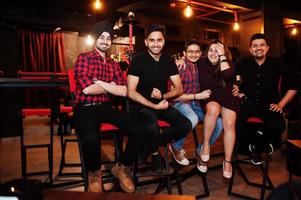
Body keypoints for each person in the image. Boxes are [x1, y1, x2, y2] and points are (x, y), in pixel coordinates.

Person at [73, 21, 146, 193]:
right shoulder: (84, 58)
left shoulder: (113, 64)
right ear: (95, 39)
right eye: (102, 37)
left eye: (108, 38)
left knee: (140, 128)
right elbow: (87, 89)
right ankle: (94, 173)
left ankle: (122, 166)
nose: (105, 41)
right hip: (86, 107)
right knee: (91, 138)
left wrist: (99, 82)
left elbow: (123, 91)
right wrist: (110, 84)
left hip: (105, 107)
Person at [127, 24, 192, 172]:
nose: (156, 44)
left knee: (185, 124)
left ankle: (148, 148)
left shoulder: (168, 60)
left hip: (161, 103)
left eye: (159, 40)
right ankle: (155, 154)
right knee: (152, 126)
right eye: (152, 40)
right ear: (146, 42)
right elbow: (131, 92)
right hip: (141, 105)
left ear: (163, 41)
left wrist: (163, 96)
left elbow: (179, 88)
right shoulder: (138, 59)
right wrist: (154, 105)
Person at [236, 33, 297, 165]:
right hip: (248, 104)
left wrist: (280, 105)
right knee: (233, 123)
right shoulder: (243, 63)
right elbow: (231, 79)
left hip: (268, 106)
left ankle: (256, 145)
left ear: (267, 48)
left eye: (262, 45)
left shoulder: (277, 64)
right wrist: (237, 90)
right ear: (250, 49)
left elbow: (294, 85)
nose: (259, 48)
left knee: (280, 125)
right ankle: (262, 143)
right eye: (255, 46)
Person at [170, 39, 223, 173]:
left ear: (201, 53)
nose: (193, 54)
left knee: (219, 122)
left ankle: (201, 150)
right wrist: (197, 96)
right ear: (184, 53)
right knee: (192, 118)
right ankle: (176, 147)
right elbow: (172, 95)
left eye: (197, 51)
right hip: (179, 103)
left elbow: (215, 59)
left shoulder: (201, 64)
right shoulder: (180, 67)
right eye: (190, 52)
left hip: (196, 104)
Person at [198, 40, 240, 179]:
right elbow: (190, 56)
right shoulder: (202, 62)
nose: (213, 53)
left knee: (229, 123)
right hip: (210, 96)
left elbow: (228, 75)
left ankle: (227, 161)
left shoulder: (228, 64)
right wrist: (181, 60)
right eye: (210, 50)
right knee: (214, 109)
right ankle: (205, 145)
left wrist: (222, 55)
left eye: (217, 50)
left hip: (227, 97)